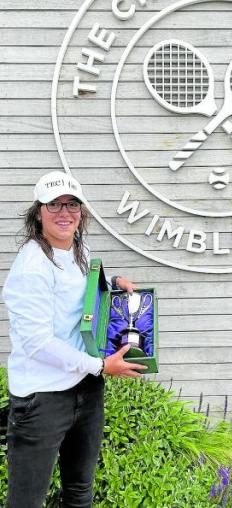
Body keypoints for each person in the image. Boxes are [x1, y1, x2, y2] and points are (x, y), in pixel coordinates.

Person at [2, 171, 147, 508]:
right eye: (54, 205)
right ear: (39, 212)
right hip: (43, 398)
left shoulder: (79, 249)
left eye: (72, 205)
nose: (64, 213)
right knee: (26, 502)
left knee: (80, 492)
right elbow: (37, 342)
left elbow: (80, 291)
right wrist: (99, 365)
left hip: (85, 389)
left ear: (81, 212)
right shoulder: (32, 267)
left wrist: (111, 282)